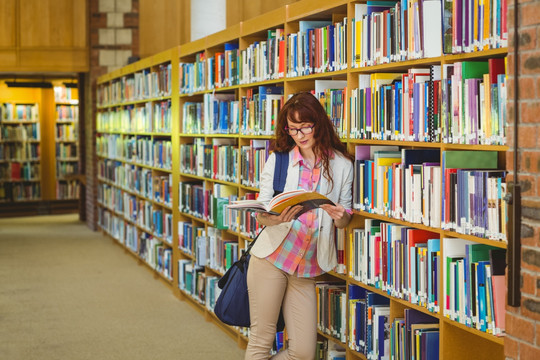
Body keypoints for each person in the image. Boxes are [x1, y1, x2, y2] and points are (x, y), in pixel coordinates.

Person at [246, 92, 354, 359]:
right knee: (261, 341)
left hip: (306, 267)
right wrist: (274, 217)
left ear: (319, 123)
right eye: (292, 129)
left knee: (304, 353)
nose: (300, 134)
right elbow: (262, 211)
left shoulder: (342, 164)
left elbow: (345, 220)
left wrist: (340, 215)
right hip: (271, 258)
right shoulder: (280, 159)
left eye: (305, 126)